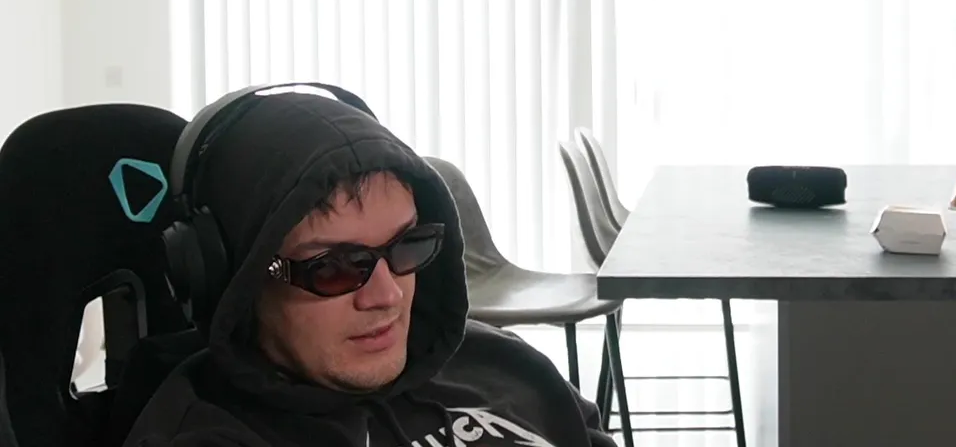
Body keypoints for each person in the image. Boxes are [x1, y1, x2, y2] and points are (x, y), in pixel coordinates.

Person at [123, 89, 616, 447]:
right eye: (334, 268)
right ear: (237, 279)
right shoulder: (208, 437)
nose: (388, 295)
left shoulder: (504, 364)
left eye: (407, 246)